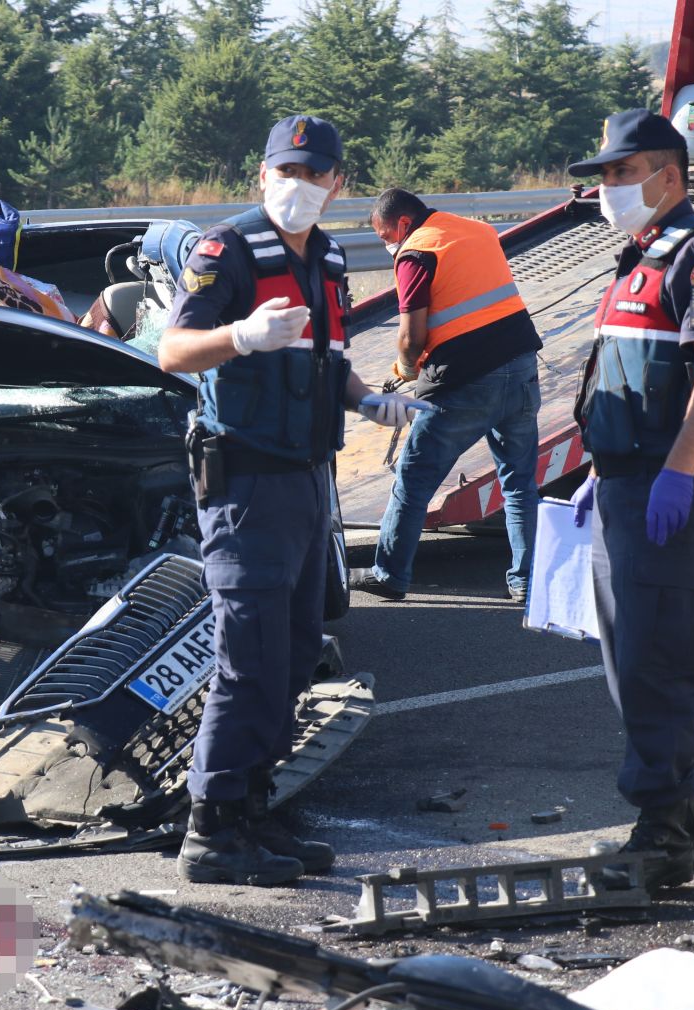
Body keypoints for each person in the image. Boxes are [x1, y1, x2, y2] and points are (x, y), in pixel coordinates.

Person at [157, 116, 431, 886]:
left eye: (316, 175)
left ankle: (252, 809)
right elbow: (173, 350)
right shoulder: (228, 251)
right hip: (245, 480)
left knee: (294, 652)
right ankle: (212, 828)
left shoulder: (329, 259)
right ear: (262, 172)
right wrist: (242, 336)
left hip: (310, 477)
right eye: (289, 171)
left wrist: (367, 399)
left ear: (339, 183)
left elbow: (325, 358)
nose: (301, 186)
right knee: (247, 656)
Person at [565, 109, 694, 892]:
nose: (609, 186)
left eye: (621, 171)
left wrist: (677, 470)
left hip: (667, 487)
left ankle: (661, 832)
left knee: (652, 662)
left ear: (669, 175)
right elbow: (623, 377)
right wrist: (599, 467)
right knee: (649, 658)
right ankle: (691, 820)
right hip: (625, 479)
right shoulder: (638, 256)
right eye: (604, 174)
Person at [349, 189, 544, 603]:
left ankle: (389, 574)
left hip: (465, 381)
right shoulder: (478, 230)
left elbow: (410, 335)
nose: (388, 244)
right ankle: (526, 581)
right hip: (522, 365)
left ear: (403, 224)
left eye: (386, 235)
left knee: (415, 479)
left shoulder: (416, 251)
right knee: (520, 483)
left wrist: (404, 370)